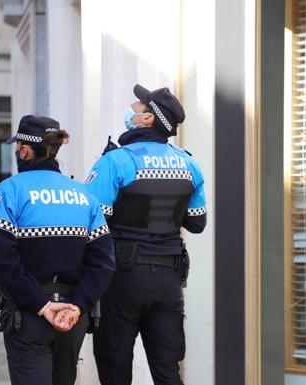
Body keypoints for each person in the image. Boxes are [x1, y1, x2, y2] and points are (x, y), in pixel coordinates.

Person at [85, 84, 207, 385]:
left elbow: (90, 223)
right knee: (167, 372)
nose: (132, 107)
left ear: (148, 120)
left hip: (122, 279)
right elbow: (196, 223)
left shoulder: (116, 161)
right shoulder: (189, 163)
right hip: (169, 282)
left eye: (139, 106)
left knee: (115, 369)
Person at [0, 115, 115, 385]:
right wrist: (78, 305)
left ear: (24, 149)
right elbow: (103, 262)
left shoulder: (8, 191)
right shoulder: (84, 195)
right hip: (73, 316)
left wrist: (42, 306)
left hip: (28, 313)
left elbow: (4, 261)